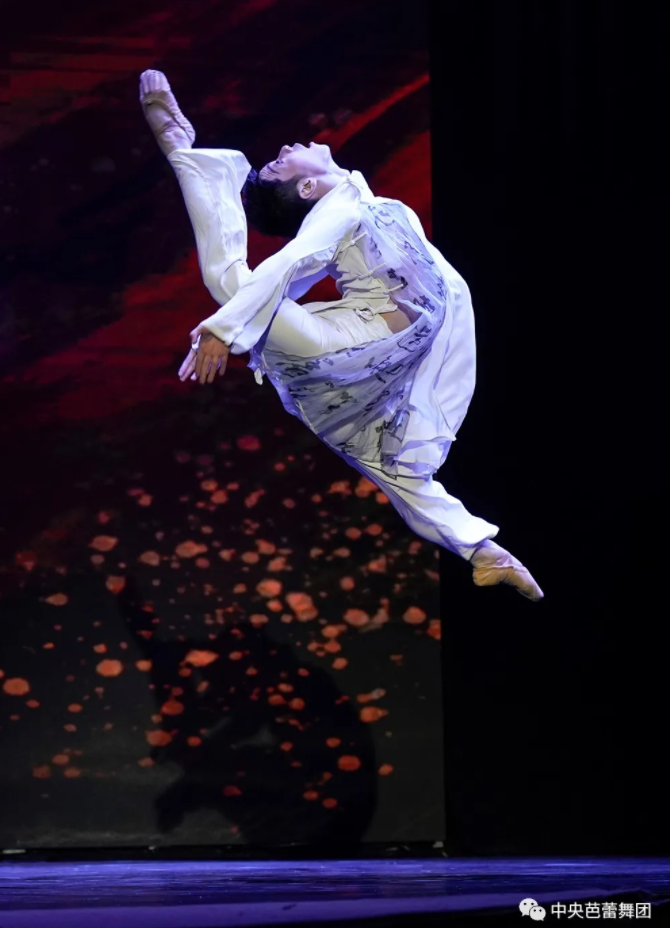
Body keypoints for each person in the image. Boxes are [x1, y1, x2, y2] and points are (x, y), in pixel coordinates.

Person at [139, 70, 543, 601]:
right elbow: (291, 262)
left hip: (380, 353)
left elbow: (296, 277)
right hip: (343, 341)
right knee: (230, 281)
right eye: (280, 164)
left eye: (277, 159)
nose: (285, 148)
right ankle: (181, 149)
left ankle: (484, 551)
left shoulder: (370, 204)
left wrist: (241, 321)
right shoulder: (341, 210)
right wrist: (223, 327)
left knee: (390, 457)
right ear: (308, 188)